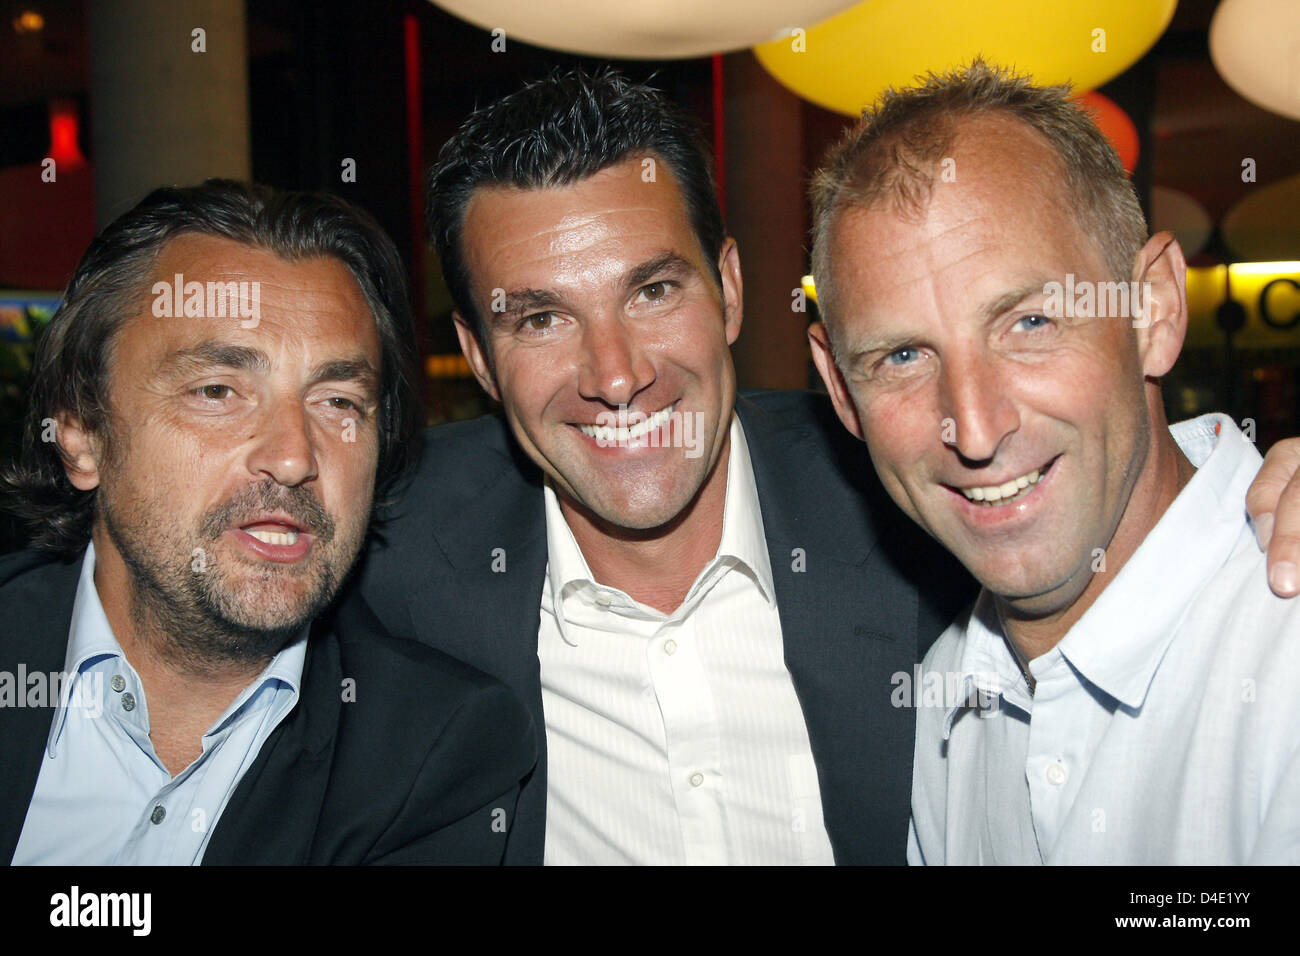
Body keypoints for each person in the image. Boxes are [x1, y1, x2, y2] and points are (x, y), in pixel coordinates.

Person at [353, 67, 1300, 865]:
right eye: (542, 319)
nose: (616, 376)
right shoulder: (384, 555)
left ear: (728, 289)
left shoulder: (909, 544)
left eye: (1030, 321)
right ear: (477, 357)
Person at [808, 61, 1300, 864]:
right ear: (839, 389)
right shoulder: (943, 696)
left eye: (1030, 321)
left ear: (1155, 309)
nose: (973, 425)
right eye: (901, 355)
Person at [0, 180, 534, 865]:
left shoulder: (434, 752)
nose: (291, 457)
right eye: (218, 391)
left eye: (339, 400)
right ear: (80, 434)